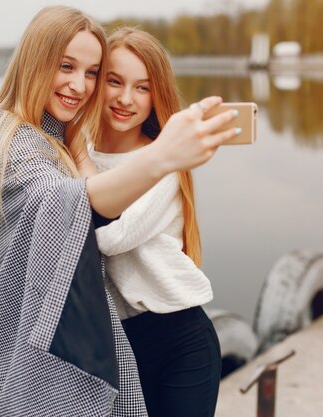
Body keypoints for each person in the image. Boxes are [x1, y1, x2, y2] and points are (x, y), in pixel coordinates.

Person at [0, 6, 239, 417]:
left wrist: (159, 157)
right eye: (68, 66)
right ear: (35, 61)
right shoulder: (6, 138)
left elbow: (107, 234)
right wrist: (156, 155)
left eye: (91, 72)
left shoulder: (77, 148)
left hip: (176, 333)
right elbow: (55, 200)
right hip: (111, 340)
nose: (80, 84)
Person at [81, 27, 223, 417]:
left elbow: (110, 237)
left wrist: (77, 157)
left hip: (180, 340)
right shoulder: (81, 152)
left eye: (142, 88)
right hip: (116, 344)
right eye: (114, 81)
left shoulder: (164, 161)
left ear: (156, 95)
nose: (126, 99)